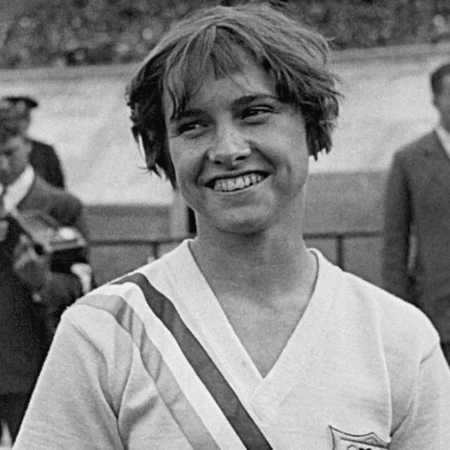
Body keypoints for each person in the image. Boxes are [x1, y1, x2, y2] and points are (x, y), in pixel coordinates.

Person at [15, 3, 450, 449]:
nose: (227, 149)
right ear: (165, 150)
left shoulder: (398, 339)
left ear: (311, 123)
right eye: (193, 125)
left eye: (254, 112)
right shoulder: (105, 332)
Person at [0, 115, 93, 443]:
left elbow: (82, 287)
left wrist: (42, 283)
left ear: (28, 145)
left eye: (9, 152)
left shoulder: (61, 207)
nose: (1, 165)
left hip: (33, 365)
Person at [382, 62, 450, 366]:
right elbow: (395, 240)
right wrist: (400, 308)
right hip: (438, 310)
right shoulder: (410, 159)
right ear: (436, 100)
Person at [0, 96, 65, 189]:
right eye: (12, 119)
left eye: (24, 118)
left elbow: (58, 189)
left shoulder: (45, 152)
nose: (20, 124)